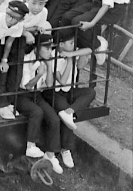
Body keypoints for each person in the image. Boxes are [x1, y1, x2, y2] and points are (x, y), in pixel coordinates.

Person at [42, 29, 98, 170]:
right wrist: (69, 60)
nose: (74, 45)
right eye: (70, 43)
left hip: (69, 91)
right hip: (55, 92)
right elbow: (63, 82)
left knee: (90, 92)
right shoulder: (54, 56)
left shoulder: (71, 53)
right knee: (66, 117)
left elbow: (81, 65)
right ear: (60, 44)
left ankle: (70, 111)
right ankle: (65, 148)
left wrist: (79, 56)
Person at [15, 33, 64, 169]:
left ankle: (50, 155)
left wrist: (48, 68)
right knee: (37, 112)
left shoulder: (46, 61)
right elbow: (28, 85)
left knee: (54, 119)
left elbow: (49, 84)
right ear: (37, 48)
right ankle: (30, 145)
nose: (49, 52)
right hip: (23, 95)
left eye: (50, 49)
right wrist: (39, 75)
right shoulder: (27, 59)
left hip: (37, 95)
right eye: (46, 49)